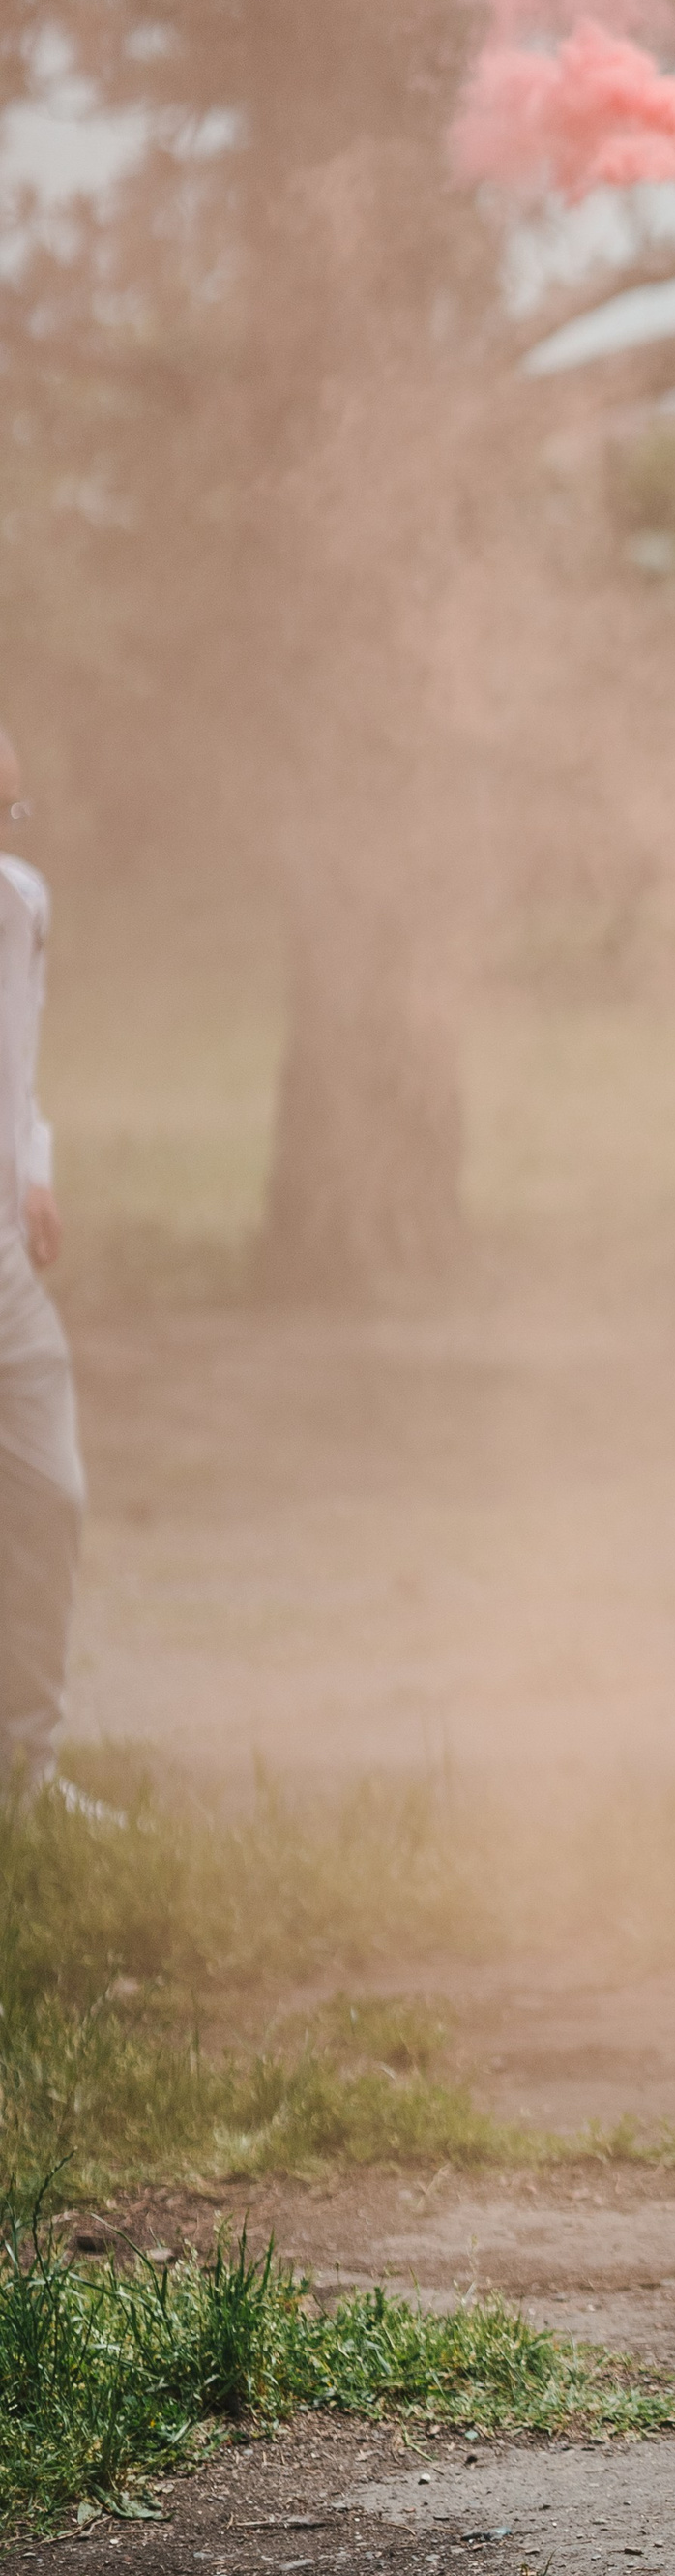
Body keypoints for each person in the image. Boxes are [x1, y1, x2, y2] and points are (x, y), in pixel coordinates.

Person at [0, 732, 85, 1802]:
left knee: (51, 1495)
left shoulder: (22, 906)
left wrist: (34, 1165)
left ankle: (32, 1774)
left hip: (6, 1266)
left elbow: (17, 1060)